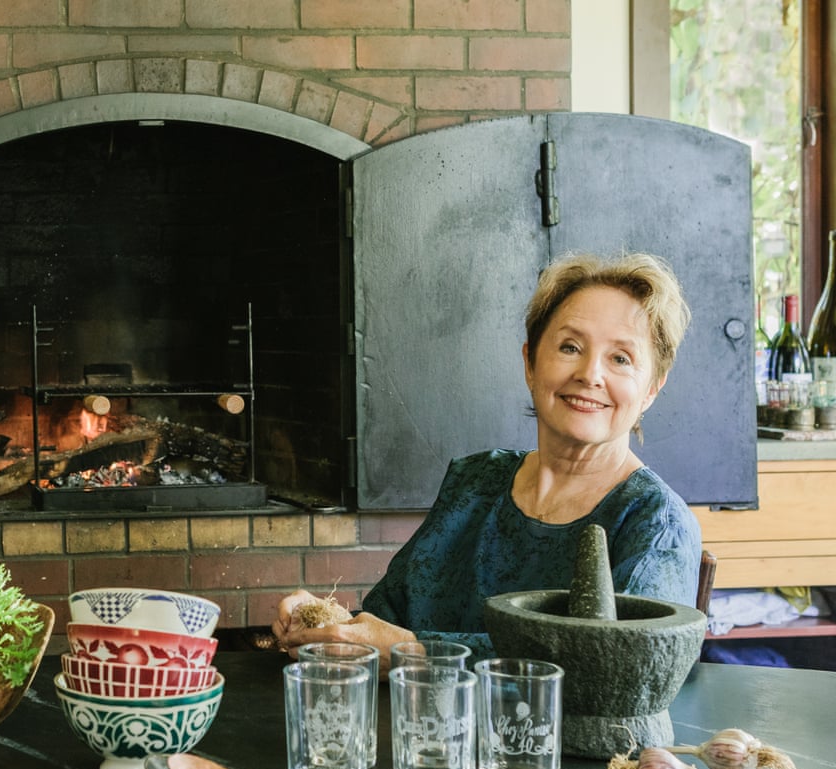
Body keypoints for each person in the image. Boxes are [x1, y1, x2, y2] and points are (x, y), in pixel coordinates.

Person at [273, 251, 703, 669]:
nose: (590, 374)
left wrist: (416, 652)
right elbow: (389, 618)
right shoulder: (476, 480)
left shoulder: (656, 523)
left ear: (651, 389)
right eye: (570, 347)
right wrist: (327, 623)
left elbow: (617, 664)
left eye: (621, 358)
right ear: (530, 363)